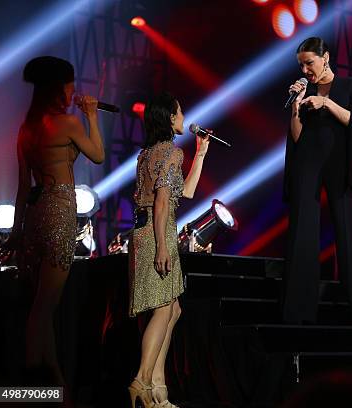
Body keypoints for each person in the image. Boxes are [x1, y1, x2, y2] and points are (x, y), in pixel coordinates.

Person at [5, 56, 104, 392]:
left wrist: (17, 232)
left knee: (41, 307)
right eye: (70, 83)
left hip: (34, 218)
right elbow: (99, 155)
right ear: (59, 87)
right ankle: (32, 387)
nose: (74, 89)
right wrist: (91, 115)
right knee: (43, 309)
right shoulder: (69, 124)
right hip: (59, 215)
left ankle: (55, 387)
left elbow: (22, 186)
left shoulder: (27, 129)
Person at [282, 37, 352, 325]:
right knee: (302, 232)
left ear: (326, 57)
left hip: (339, 163)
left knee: (347, 233)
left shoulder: (350, 86)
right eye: (301, 65)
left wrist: (325, 102)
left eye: (310, 63)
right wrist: (297, 105)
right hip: (308, 161)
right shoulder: (303, 90)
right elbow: (297, 137)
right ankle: (298, 310)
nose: (306, 70)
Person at [128, 92, 209, 408]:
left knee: (173, 309)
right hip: (157, 234)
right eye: (180, 111)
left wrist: (201, 154)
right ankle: (141, 381)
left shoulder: (147, 153)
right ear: (169, 117)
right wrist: (163, 247)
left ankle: (158, 389)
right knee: (163, 309)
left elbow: (185, 192)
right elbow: (162, 201)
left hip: (147, 231)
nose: (183, 115)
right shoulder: (170, 153)